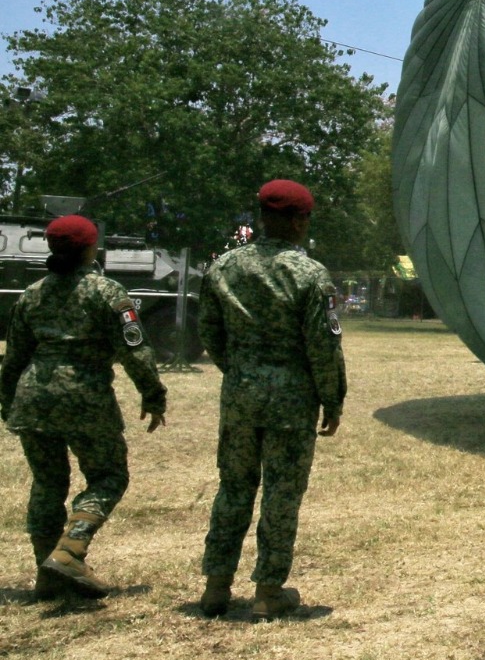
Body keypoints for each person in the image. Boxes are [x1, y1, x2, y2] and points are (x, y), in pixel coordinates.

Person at [198, 180, 347, 621]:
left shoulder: (222, 268)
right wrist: (332, 399)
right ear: (300, 221)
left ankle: (215, 586)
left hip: (241, 396)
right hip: (291, 401)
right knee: (282, 494)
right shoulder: (308, 274)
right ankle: (267, 591)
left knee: (234, 488)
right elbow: (323, 346)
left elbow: (209, 334)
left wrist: (241, 371)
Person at [1, 214, 166, 598]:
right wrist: (153, 394)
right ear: (91, 249)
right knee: (109, 477)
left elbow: (14, 357)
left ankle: (47, 573)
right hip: (85, 396)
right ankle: (70, 551)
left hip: (34, 397)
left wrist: (8, 400)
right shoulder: (107, 293)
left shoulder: (33, 293)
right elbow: (135, 350)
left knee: (47, 483)